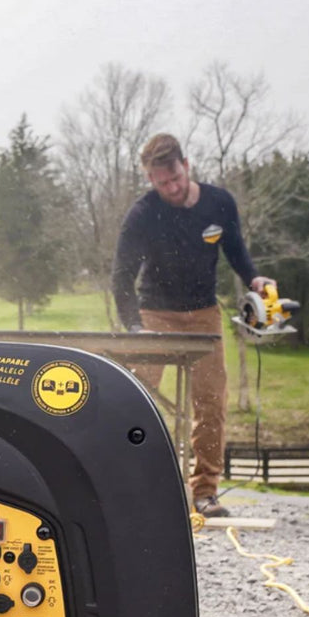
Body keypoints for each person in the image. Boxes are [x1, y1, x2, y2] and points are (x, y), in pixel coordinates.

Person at [112, 133, 274, 518]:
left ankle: (205, 493)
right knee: (133, 398)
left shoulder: (219, 203)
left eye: (175, 179)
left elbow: (235, 250)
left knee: (211, 403)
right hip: (154, 314)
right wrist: (134, 327)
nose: (170, 188)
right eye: (161, 183)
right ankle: (124, 487)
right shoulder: (142, 214)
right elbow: (121, 276)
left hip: (204, 314)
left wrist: (254, 278)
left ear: (186, 166)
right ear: (150, 179)